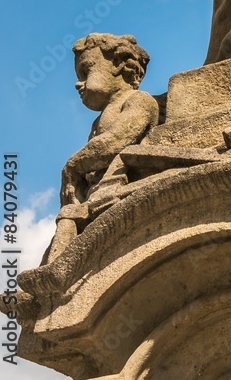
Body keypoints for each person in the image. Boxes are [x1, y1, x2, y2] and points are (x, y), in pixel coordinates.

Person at [43, 33, 159, 262]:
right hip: (96, 193)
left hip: (119, 189)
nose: (79, 83)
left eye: (86, 72)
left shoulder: (139, 101)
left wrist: (72, 166)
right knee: (66, 221)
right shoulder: (98, 122)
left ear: (119, 67)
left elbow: (116, 140)